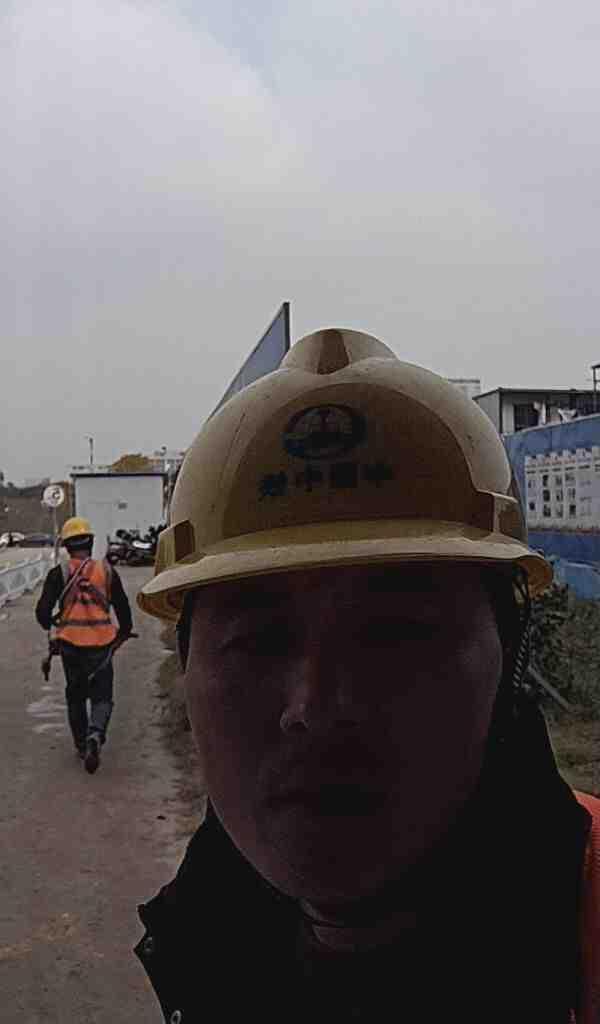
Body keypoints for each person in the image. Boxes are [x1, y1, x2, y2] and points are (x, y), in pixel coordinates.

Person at [134, 329, 600, 1023]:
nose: (316, 708)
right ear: (188, 666)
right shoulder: (203, 936)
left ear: (508, 656)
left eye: (395, 636)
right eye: (257, 641)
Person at [35, 516, 133, 773]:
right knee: (102, 697)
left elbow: (42, 613)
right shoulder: (107, 572)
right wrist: (123, 633)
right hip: (102, 645)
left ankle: (81, 745)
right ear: (90, 542)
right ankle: (96, 734)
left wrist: (52, 622)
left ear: (67, 546)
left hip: (70, 646)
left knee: (76, 697)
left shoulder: (58, 574)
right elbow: (123, 608)